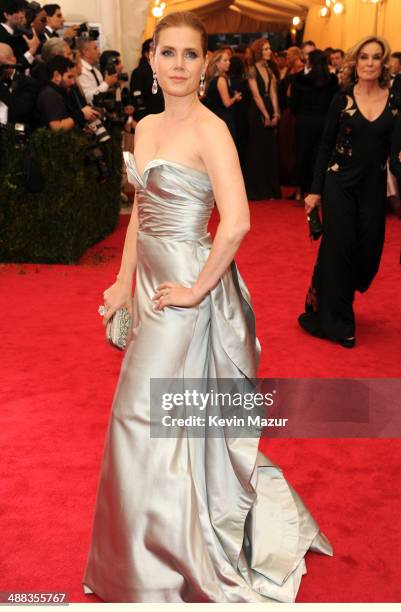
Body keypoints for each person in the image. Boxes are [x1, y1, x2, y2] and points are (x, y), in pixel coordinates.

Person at [82, 10, 333, 603]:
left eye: (189, 55)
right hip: (149, 287)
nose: (177, 65)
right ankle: (143, 556)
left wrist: (196, 289)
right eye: (166, 53)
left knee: (141, 416)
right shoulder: (143, 127)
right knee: (170, 425)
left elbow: (238, 221)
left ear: (206, 63)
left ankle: (160, 565)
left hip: (188, 292)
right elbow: (143, 211)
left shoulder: (212, 130)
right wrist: (122, 283)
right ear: (152, 59)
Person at [298, 36, 400, 348]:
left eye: (376, 57)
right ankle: (340, 321)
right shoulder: (342, 99)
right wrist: (314, 191)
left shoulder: (394, 102)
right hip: (338, 183)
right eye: (364, 57)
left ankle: (325, 286)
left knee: (369, 253)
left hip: (373, 186)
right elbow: (325, 146)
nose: (370, 63)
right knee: (339, 249)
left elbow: (396, 152)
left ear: (383, 64)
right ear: (355, 62)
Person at [290, 49, 339, 198]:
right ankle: (319, 189)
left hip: (304, 121)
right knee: (322, 155)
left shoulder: (298, 79)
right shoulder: (332, 80)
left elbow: (293, 104)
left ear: (309, 63)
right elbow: (334, 103)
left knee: (303, 155)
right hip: (325, 121)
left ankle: (300, 190)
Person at [245, 37, 281, 200]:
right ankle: (258, 191)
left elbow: (273, 93)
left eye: (269, 48)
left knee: (270, 151)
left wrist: (276, 112)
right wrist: (266, 115)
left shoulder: (269, 69)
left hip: (268, 108)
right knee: (258, 151)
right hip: (257, 111)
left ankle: (271, 190)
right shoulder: (252, 69)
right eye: (266, 49)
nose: (269, 51)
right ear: (259, 51)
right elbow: (256, 95)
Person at [35, 55, 97, 129]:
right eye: (69, 77)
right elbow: (57, 128)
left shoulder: (59, 92)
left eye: (74, 77)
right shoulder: (49, 94)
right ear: (57, 75)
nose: (73, 82)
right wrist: (82, 114)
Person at [204, 49, 242, 143]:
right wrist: (235, 97)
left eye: (228, 60)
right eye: (225, 60)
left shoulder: (212, 79)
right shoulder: (221, 79)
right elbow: (227, 103)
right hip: (224, 119)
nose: (229, 63)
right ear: (217, 63)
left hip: (215, 117)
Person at [0, 42, 38, 126]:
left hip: (13, 134)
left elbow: (21, 110)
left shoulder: (28, 82)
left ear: (13, 60)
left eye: (1, 63)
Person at [0, 0, 41, 70]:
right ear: (6, 15)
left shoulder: (18, 32)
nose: (22, 15)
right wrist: (32, 50)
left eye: (23, 11)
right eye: (18, 12)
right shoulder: (2, 36)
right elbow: (12, 68)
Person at [130, 37, 164, 120]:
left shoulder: (163, 70)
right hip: (148, 118)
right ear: (146, 54)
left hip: (164, 115)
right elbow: (138, 100)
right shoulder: (138, 72)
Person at [77, 38, 118, 105]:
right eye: (95, 48)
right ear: (86, 52)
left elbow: (101, 93)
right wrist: (107, 83)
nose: (99, 52)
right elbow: (88, 98)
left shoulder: (96, 71)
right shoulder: (81, 71)